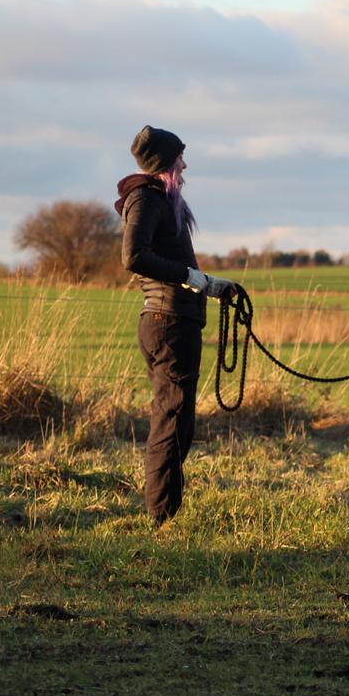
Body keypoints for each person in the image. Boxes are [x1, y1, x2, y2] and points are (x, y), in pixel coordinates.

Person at [114, 125, 235, 526]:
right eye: (179, 157)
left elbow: (166, 261)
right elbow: (134, 257)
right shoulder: (146, 199)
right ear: (165, 162)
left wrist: (209, 285)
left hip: (175, 319)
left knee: (177, 418)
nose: (185, 163)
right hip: (168, 323)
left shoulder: (160, 201)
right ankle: (162, 517)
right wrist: (190, 277)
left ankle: (165, 510)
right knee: (171, 417)